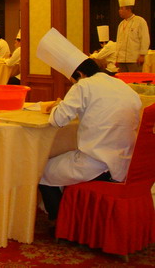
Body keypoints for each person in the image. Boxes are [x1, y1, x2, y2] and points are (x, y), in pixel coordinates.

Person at [36, 28, 141, 222]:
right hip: (125, 164)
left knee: (42, 171)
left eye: (73, 80)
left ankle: (61, 222)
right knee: (62, 163)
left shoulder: (83, 85)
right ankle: (75, 216)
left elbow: (57, 120)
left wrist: (58, 105)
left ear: (80, 74)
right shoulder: (123, 86)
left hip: (95, 164)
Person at [116, 0, 150, 73]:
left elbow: (145, 39)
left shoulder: (140, 21)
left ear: (128, 10)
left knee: (134, 78)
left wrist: (142, 55)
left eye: (121, 9)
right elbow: (118, 42)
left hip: (134, 59)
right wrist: (117, 57)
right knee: (123, 79)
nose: (119, 11)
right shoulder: (121, 24)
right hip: (121, 59)